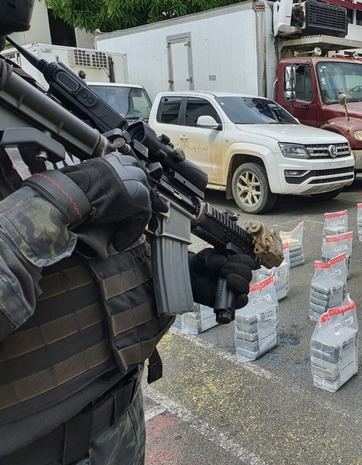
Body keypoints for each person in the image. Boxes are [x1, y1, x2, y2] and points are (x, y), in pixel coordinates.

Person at [0, 3, 253, 464]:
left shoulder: (25, 92)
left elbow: (78, 259)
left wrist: (167, 279)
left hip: (118, 434)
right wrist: (65, 196)